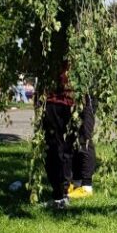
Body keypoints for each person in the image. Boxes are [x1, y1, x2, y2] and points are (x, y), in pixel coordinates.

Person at [42, 63, 96, 209]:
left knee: (69, 148)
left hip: (71, 102)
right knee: (53, 149)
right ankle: (59, 192)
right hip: (52, 101)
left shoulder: (77, 51)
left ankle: (67, 192)